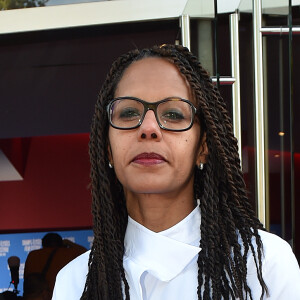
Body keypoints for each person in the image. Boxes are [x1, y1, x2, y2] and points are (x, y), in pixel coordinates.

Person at [52, 44, 300, 300]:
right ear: (108, 149)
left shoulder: (263, 266)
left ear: (203, 147)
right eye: (128, 113)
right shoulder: (74, 282)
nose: (148, 128)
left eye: (173, 114)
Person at [24, 233, 86, 297]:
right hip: (61, 295)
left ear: (43, 243)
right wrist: (70, 243)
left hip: (38, 296)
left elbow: (27, 278)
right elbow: (85, 254)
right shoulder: (70, 253)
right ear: (61, 243)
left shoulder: (33, 255)